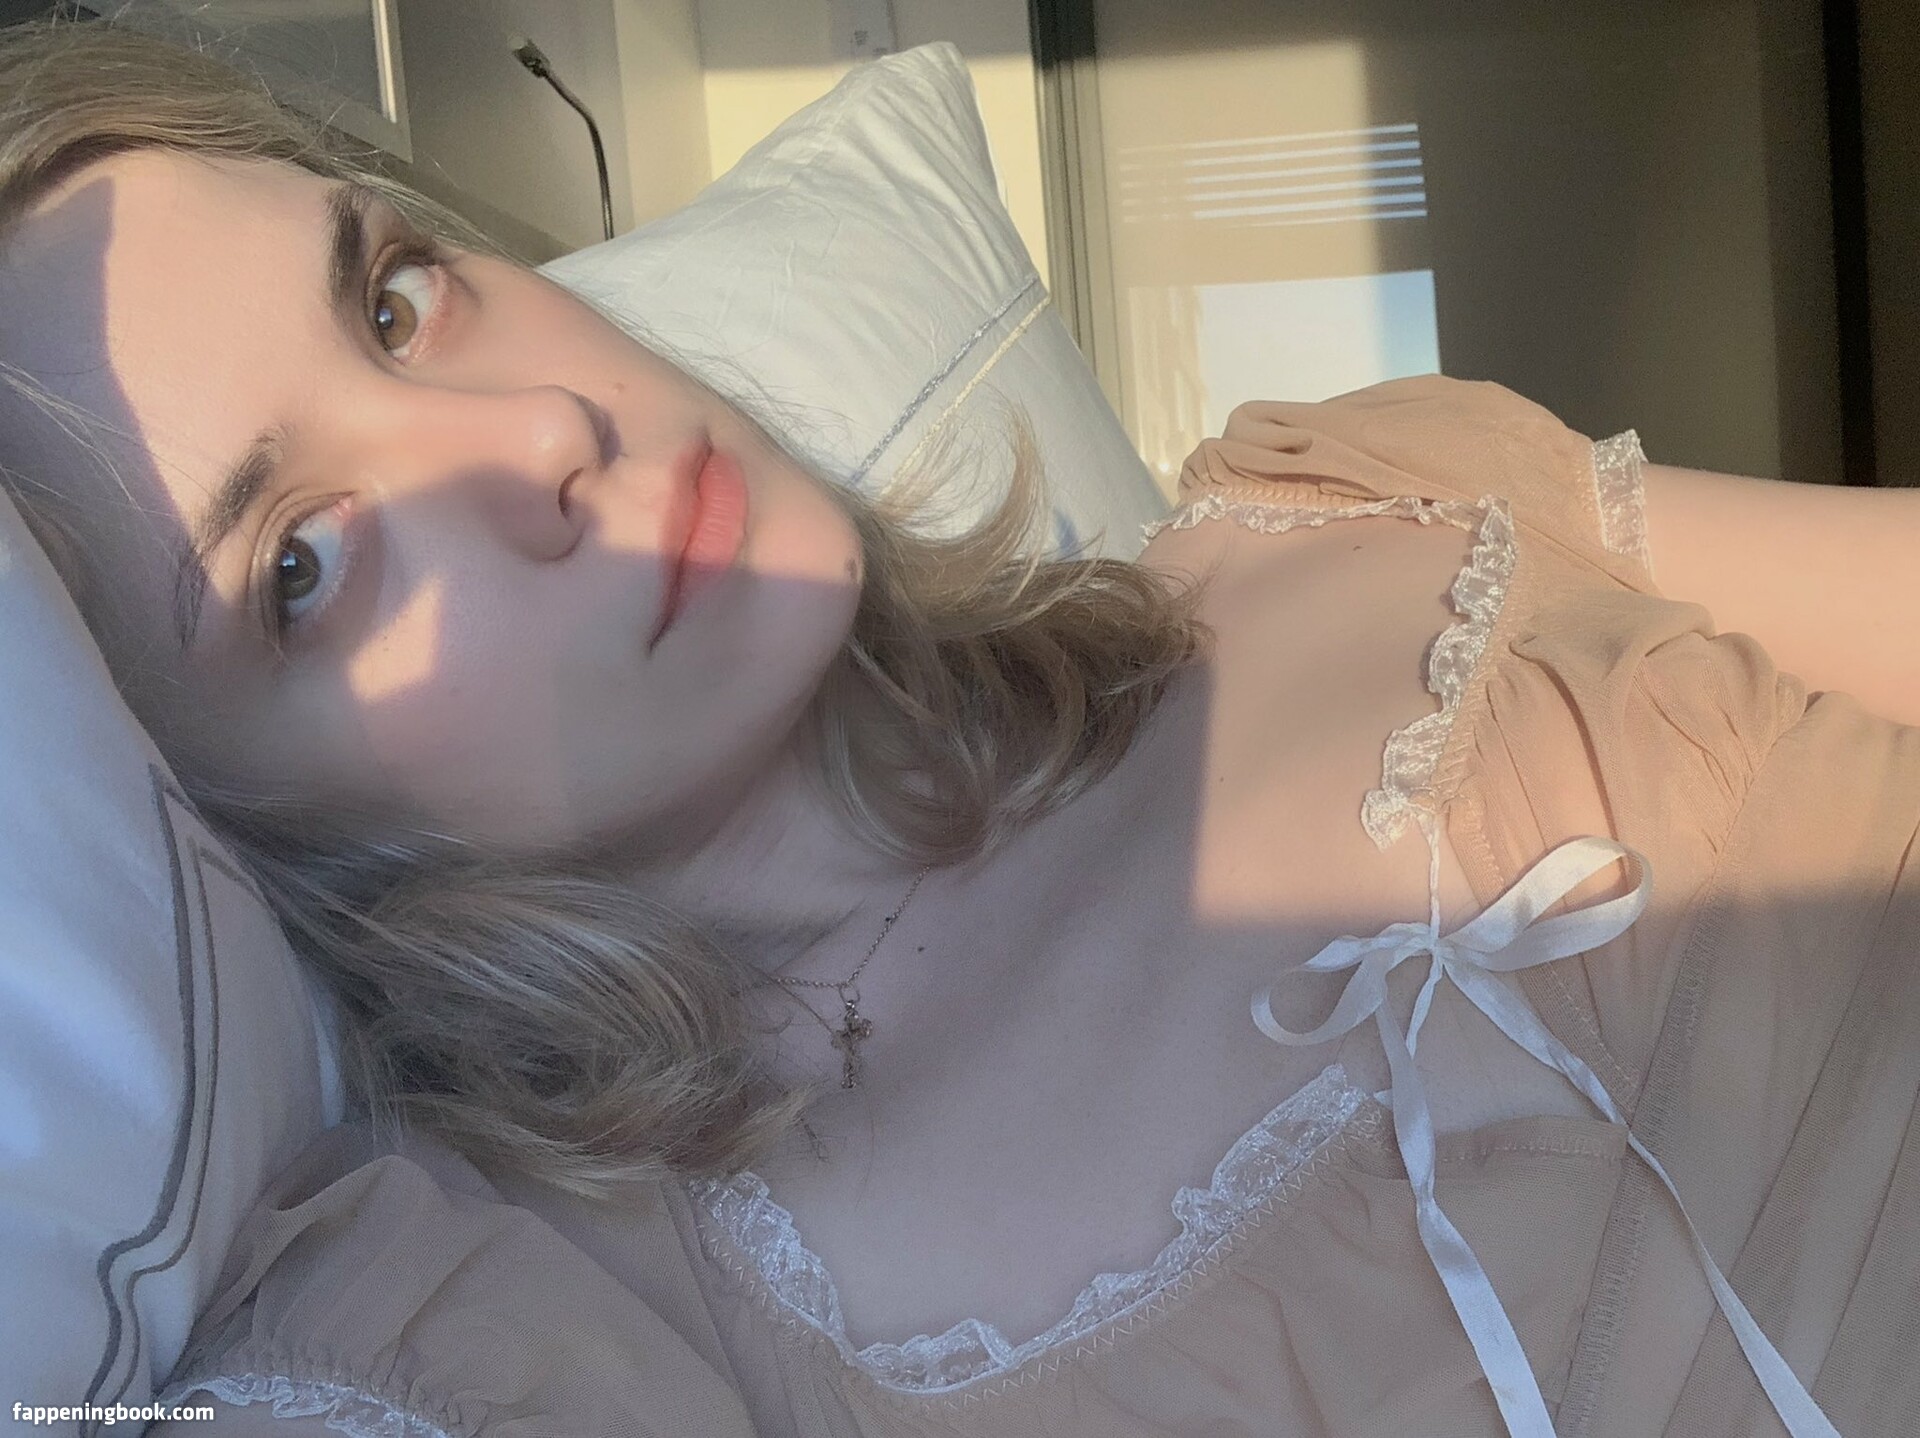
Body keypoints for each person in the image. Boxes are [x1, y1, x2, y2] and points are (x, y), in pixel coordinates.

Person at [3, 17, 1917, 1438]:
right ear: (202, 828)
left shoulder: (1366, 495)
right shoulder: (548, 1327)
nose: (537, 433)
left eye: (398, 301)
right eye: (305, 563)